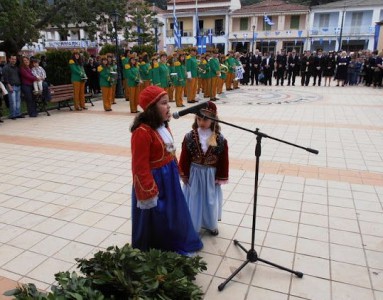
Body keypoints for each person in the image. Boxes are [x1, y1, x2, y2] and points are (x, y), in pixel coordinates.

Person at [130, 85, 203, 255]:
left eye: (168, 102)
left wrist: (178, 170)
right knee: (157, 216)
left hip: (168, 178)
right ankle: (156, 248)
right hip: (154, 181)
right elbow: (139, 166)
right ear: (151, 108)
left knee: (172, 213)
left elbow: (170, 152)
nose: (169, 106)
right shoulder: (142, 132)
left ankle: (174, 241)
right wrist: (148, 191)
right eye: (164, 103)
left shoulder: (163, 126)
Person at [179, 101, 229, 236]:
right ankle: (194, 226)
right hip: (194, 173)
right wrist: (183, 173)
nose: (202, 122)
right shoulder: (189, 136)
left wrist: (221, 176)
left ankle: (210, 224)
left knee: (210, 200)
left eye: (206, 119)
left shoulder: (220, 139)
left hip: (210, 175)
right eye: (199, 119)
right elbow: (184, 156)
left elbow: (224, 159)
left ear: (213, 119)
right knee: (194, 199)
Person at [2, 55, 22, 119]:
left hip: (18, 86)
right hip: (11, 86)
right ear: (9, 59)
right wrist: (9, 86)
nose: (14, 60)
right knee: (12, 102)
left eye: (15, 59)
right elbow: (5, 78)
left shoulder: (16, 67)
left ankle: (18, 114)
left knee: (18, 101)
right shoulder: (6, 67)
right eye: (12, 59)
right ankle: (12, 115)